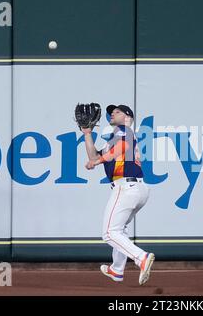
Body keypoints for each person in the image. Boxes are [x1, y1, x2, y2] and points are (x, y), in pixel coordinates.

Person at [81, 104, 155, 285]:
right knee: (119, 230)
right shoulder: (113, 138)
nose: (112, 113)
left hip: (126, 186)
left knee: (109, 233)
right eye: (112, 112)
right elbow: (93, 157)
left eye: (118, 111)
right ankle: (117, 269)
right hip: (135, 188)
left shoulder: (125, 130)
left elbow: (122, 147)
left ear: (128, 116)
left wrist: (98, 161)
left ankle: (141, 258)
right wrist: (87, 134)